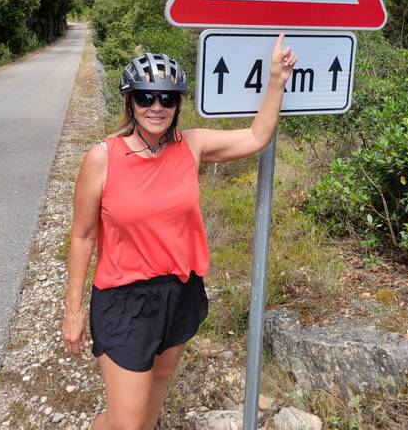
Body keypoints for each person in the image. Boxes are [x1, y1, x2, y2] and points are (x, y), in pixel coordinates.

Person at [62, 33, 296, 430]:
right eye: (145, 97)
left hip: (180, 291)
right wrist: (72, 311)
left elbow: (257, 136)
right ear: (129, 102)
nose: (157, 107)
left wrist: (275, 80)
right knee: (127, 423)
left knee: (158, 384)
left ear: (178, 104)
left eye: (167, 98)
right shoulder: (102, 159)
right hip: (123, 300)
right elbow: (83, 236)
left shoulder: (192, 145)